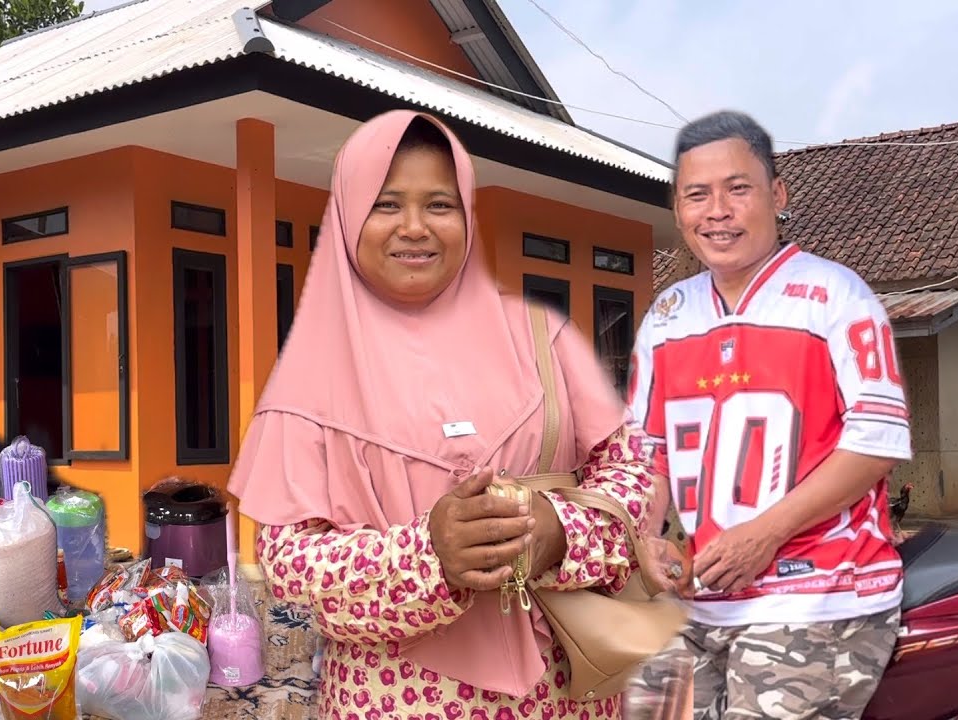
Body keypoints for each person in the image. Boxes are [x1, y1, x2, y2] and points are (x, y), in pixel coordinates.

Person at [228, 109, 666, 720]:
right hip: (393, 702)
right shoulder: (311, 380)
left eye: (439, 204)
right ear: (349, 217)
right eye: (385, 205)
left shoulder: (542, 338)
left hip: (565, 696)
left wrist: (560, 532)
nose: (414, 228)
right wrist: (427, 555)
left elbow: (635, 472)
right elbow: (289, 564)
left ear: (466, 215)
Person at [625, 111, 911, 718]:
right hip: (703, 597)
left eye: (738, 189)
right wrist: (645, 537)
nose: (718, 212)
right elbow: (648, 452)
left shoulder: (836, 295)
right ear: (677, 210)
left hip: (821, 594)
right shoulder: (667, 316)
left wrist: (765, 533)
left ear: (777, 195)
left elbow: (876, 441)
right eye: (697, 195)